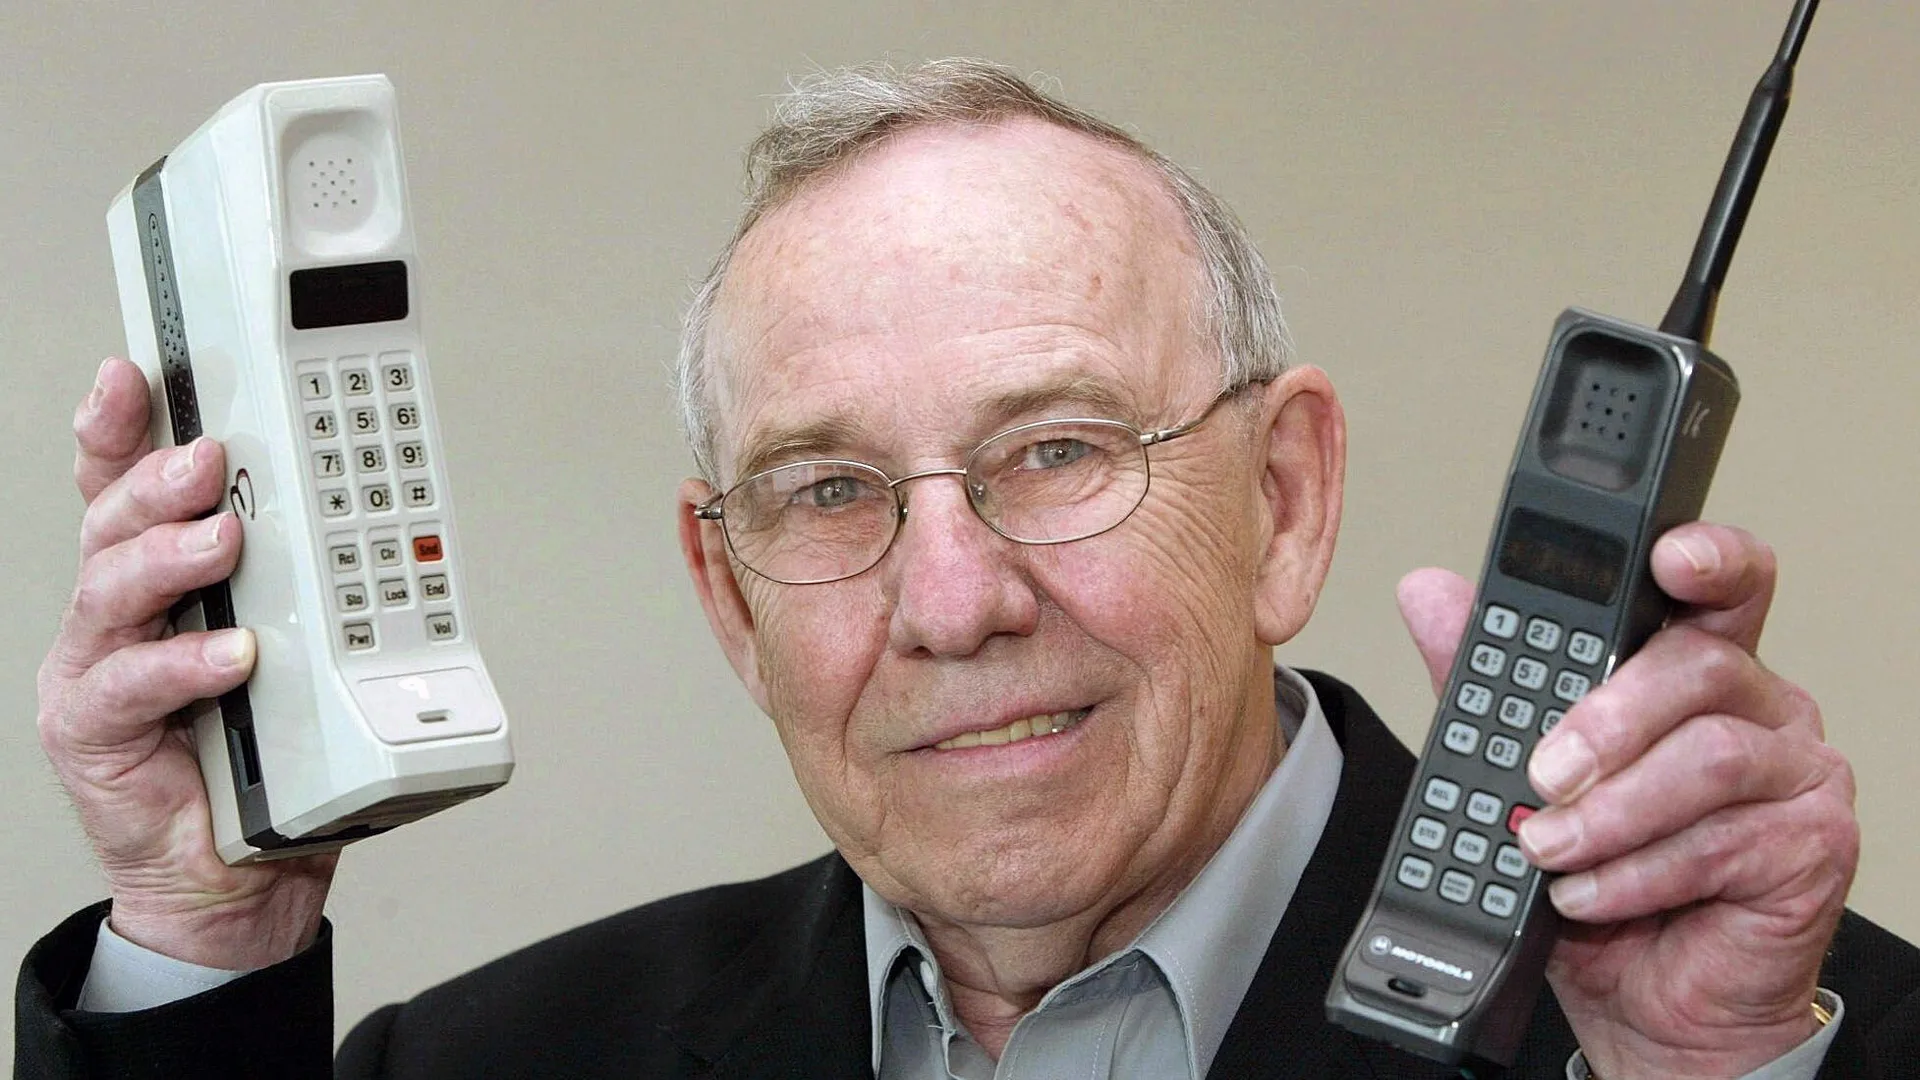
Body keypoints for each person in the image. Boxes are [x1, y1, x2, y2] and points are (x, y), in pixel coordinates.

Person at [18, 59, 1919, 1079]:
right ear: (726, 594)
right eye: (827, 492)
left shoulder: (1782, 1037)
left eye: (1059, 452)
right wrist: (208, 928)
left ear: (1284, 502)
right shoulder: (480, 1063)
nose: (951, 603)